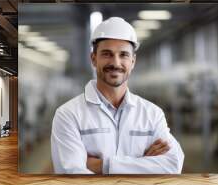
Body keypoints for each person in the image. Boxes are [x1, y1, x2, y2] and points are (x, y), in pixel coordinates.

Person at [51, 17, 184, 174]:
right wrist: (144, 163)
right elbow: (71, 174)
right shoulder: (68, 114)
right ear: (93, 59)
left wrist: (103, 166)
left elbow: (173, 164)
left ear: (133, 61)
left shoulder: (152, 114)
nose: (115, 63)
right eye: (107, 54)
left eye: (123, 55)